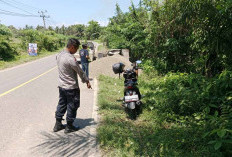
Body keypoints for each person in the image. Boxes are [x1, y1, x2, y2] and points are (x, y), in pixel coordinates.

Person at [53, 38, 92, 134]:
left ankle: (58, 124)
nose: (76, 51)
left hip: (62, 86)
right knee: (72, 105)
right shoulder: (70, 58)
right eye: (76, 49)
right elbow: (79, 70)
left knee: (62, 104)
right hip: (71, 88)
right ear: (72, 47)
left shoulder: (59, 55)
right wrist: (86, 80)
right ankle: (69, 126)